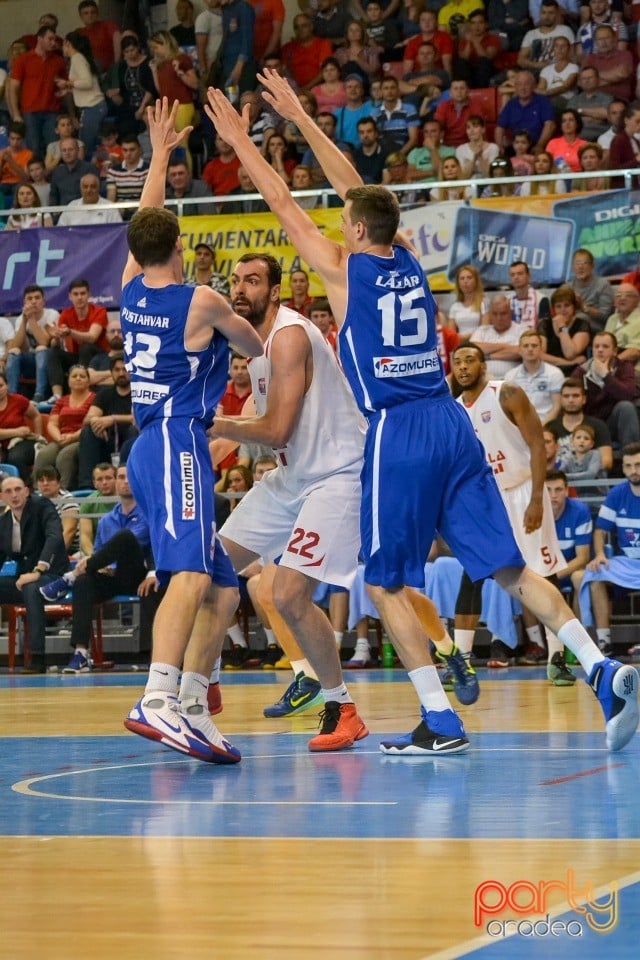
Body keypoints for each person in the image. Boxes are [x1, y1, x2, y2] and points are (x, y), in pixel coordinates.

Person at [204, 70, 639, 754]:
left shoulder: (344, 271)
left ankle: (439, 719)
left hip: (400, 431)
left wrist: (243, 139)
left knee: (383, 583)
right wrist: (302, 118)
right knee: (511, 568)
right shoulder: (409, 259)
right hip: (451, 423)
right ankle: (601, 668)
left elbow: (282, 200)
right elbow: (358, 191)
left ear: (352, 230)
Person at [119, 98, 263, 766]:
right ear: (179, 246)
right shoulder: (201, 300)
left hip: (149, 443)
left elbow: (145, 227)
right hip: (178, 437)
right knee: (185, 574)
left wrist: (159, 157)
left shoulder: (129, 290)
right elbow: (257, 343)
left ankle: (195, 702)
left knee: (223, 581)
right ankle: (156, 697)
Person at [209, 251, 370, 750]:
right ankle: (202, 687)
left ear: (275, 291)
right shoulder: (253, 344)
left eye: (253, 280)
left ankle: (341, 707)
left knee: (287, 594)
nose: (241, 287)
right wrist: (204, 446)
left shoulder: (289, 335)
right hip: (292, 475)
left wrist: (209, 422)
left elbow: (275, 427)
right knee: (207, 565)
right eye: (236, 279)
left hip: (337, 474)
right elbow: (255, 423)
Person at [451, 344, 576, 681]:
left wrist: (538, 497)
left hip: (522, 491)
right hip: (485, 499)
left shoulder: (506, 392)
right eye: (457, 362)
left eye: (469, 360)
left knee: (543, 573)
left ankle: (558, 658)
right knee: (471, 574)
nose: (463, 367)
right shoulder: (453, 409)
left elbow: (538, 444)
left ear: (483, 365)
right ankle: (461, 662)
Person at [41, 464, 162, 673]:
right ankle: (80, 654)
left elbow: (147, 545)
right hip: (112, 576)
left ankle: (69, 576)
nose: (126, 481)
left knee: (125, 537)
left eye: (130, 477)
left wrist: (152, 573)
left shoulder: (148, 513)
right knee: (84, 582)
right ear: (115, 481)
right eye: (122, 477)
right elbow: (99, 555)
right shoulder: (107, 519)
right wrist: (97, 568)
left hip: (139, 574)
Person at [0, 474, 69, 673]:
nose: (14, 495)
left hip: (55, 578)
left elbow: (54, 537)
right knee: (27, 585)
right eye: (9, 491)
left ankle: (37, 658)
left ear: (27, 491)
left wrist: (39, 569)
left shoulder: (42, 506)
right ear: (2, 497)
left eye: (18, 489)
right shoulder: (3, 523)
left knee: (32, 588)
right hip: (24, 578)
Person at [580, 443, 640, 657]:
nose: (634, 470)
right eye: (629, 466)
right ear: (623, 468)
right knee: (594, 573)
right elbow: (600, 531)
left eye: (638, 465)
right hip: (626, 562)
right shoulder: (617, 494)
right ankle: (604, 643)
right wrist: (600, 555)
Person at [77, 354, 138, 488]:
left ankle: (128, 482)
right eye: (117, 370)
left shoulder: (138, 393)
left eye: (125, 369)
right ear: (111, 373)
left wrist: (113, 419)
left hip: (131, 440)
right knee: (88, 431)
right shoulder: (104, 394)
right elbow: (88, 418)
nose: (121, 373)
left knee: (133, 430)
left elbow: (138, 419)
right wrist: (97, 422)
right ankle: (86, 486)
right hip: (108, 442)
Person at [7, 25, 67, 158]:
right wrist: (16, 114)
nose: (53, 43)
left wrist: (64, 93)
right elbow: (13, 88)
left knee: (53, 148)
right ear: (39, 39)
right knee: (33, 148)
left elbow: (65, 86)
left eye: (54, 40)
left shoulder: (59, 61)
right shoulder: (23, 60)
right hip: (30, 111)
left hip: (52, 110)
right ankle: (35, 178)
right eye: (50, 39)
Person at [573, 331, 640, 450]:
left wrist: (606, 376)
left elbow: (628, 395)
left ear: (614, 351)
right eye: (596, 346)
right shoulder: (581, 372)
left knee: (626, 406)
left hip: (613, 422)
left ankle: (632, 455)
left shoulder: (624, 367)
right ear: (592, 350)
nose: (600, 350)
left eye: (605, 346)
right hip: (590, 425)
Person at [33, 364, 95, 489]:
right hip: (61, 438)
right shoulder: (62, 401)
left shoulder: (95, 399)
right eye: (74, 376)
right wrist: (59, 437)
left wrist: (72, 437)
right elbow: (52, 423)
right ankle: (38, 491)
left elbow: (91, 423)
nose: (78, 378)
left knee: (65, 456)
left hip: (82, 439)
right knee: (44, 454)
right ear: (68, 381)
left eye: (82, 376)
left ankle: (63, 491)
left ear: (88, 381)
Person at [47, 279, 109, 399]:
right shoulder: (65, 314)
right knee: (53, 352)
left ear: (89, 295)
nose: (79, 297)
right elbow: (56, 343)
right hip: (77, 356)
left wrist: (70, 332)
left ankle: (81, 392)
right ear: (70, 296)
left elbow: (92, 337)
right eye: (76, 294)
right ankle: (57, 395)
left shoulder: (99, 311)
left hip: (99, 356)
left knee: (86, 347)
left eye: (82, 293)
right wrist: (56, 336)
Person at [545, 468, 592, 617]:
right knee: (526, 584)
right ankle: (536, 639)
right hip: (543, 571)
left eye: (558, 490)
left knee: (581, 577)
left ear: (566, 491)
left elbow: (583, 558)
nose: (553, 496)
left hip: (570, 569)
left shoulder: (580, 511)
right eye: (548, 490)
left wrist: (553, 575)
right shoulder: (533, 511)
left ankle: (578, 636)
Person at [56, 32, 108, 158]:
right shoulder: (81, 58)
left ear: (67, 43)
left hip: (92, 107)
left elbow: (87, 82)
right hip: (94, 106)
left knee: (85, 145)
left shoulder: (77, 58)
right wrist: (69, 90)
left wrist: (67, 83)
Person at [547, 376, 613, 472]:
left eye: (575, 396)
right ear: (561, 399)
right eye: (566, 396)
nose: (570, 400)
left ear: (584, 399)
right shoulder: (550, 427)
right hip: (557, 481)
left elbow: (607, 462)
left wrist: (579, 471)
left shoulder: (598, 426)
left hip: (588, 482)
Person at [5, 285, 58, 404]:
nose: (33, 301)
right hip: (30, 363)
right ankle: (11, 395)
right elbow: (16, 346)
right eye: (30, 298)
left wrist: (31, 319)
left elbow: (44, 342)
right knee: (14, 352)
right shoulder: (20, 319)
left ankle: (39, 394)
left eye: (37, 298)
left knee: (41, 348)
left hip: (49, 362)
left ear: (44, 301)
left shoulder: (51, 314)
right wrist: (24, 320)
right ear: (24, 302)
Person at [504, 330, 565, 424]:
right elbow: (508, 407)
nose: (530, 349)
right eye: (525, 346)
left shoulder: (555, 374)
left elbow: (557, 407)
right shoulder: (510, 376)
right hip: (518, 427)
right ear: (519, 350)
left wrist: (541, 427)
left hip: (547, 426)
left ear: (541, 349)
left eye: (534, 345)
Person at [0, 371, 42, 482]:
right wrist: (17, 431)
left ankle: (27, 487)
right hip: (4, 444)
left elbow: (36, 416)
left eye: (1, 386)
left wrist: (38, 436)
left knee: (15, 457)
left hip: (22, 441)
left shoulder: (18, 400)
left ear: (7, 386)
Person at [538, 284, 591, 372]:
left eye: (566, 305)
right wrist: (568, 363)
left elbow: (569, 353)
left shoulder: (582, 324)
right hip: (549, 371)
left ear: (573, 307)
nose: (563, 310)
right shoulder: (545, 324)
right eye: (558, 306)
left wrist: (562, 327)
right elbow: (539, 354)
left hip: (573, 373)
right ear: (553, 309)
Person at [469, 296, 521, 379]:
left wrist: (487, 356)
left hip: (513, 380)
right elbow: (472, 349)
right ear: (490, 314)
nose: (499, 318)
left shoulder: (521, 330)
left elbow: (519, 351)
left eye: (503, 313)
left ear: (511, 313)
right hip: (484, 381)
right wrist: (505, 346)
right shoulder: (482, 330)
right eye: (495, 314)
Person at [569, 247, 614, 335]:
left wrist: (583, 306)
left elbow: (606, 316)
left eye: (584, 263)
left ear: (592, 265)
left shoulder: (603, 285)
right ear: (572, 266)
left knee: (580, 318)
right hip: (571, 325)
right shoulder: (568, 287)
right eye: (577, 263)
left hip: (596, 328)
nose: (580, 267)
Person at [78, 461, 117, 555]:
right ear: (94, 483)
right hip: (98, 551)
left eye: (108, 478)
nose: (104, 482)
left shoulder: (127, 500)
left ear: (117, 479)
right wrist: (95, 558)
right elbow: (85, 537)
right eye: (100, 479)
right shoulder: (88, 503)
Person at [49, 137, 100, 209]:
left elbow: (95, 193)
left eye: (70, 149)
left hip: (85, 210)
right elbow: (53, 196)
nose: (67, 153)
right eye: (64, 150)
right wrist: (54, 210)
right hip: (63, 213)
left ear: (78, 150)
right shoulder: (57, 172)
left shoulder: (90, 168)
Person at [57, 171, 123, 225]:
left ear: (98, 188)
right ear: (81, 189)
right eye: (85, 187)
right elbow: (61, 231)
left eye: (93, 186)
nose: (89, 190)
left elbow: (117, 232)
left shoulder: (110, 208)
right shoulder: (72, 206)